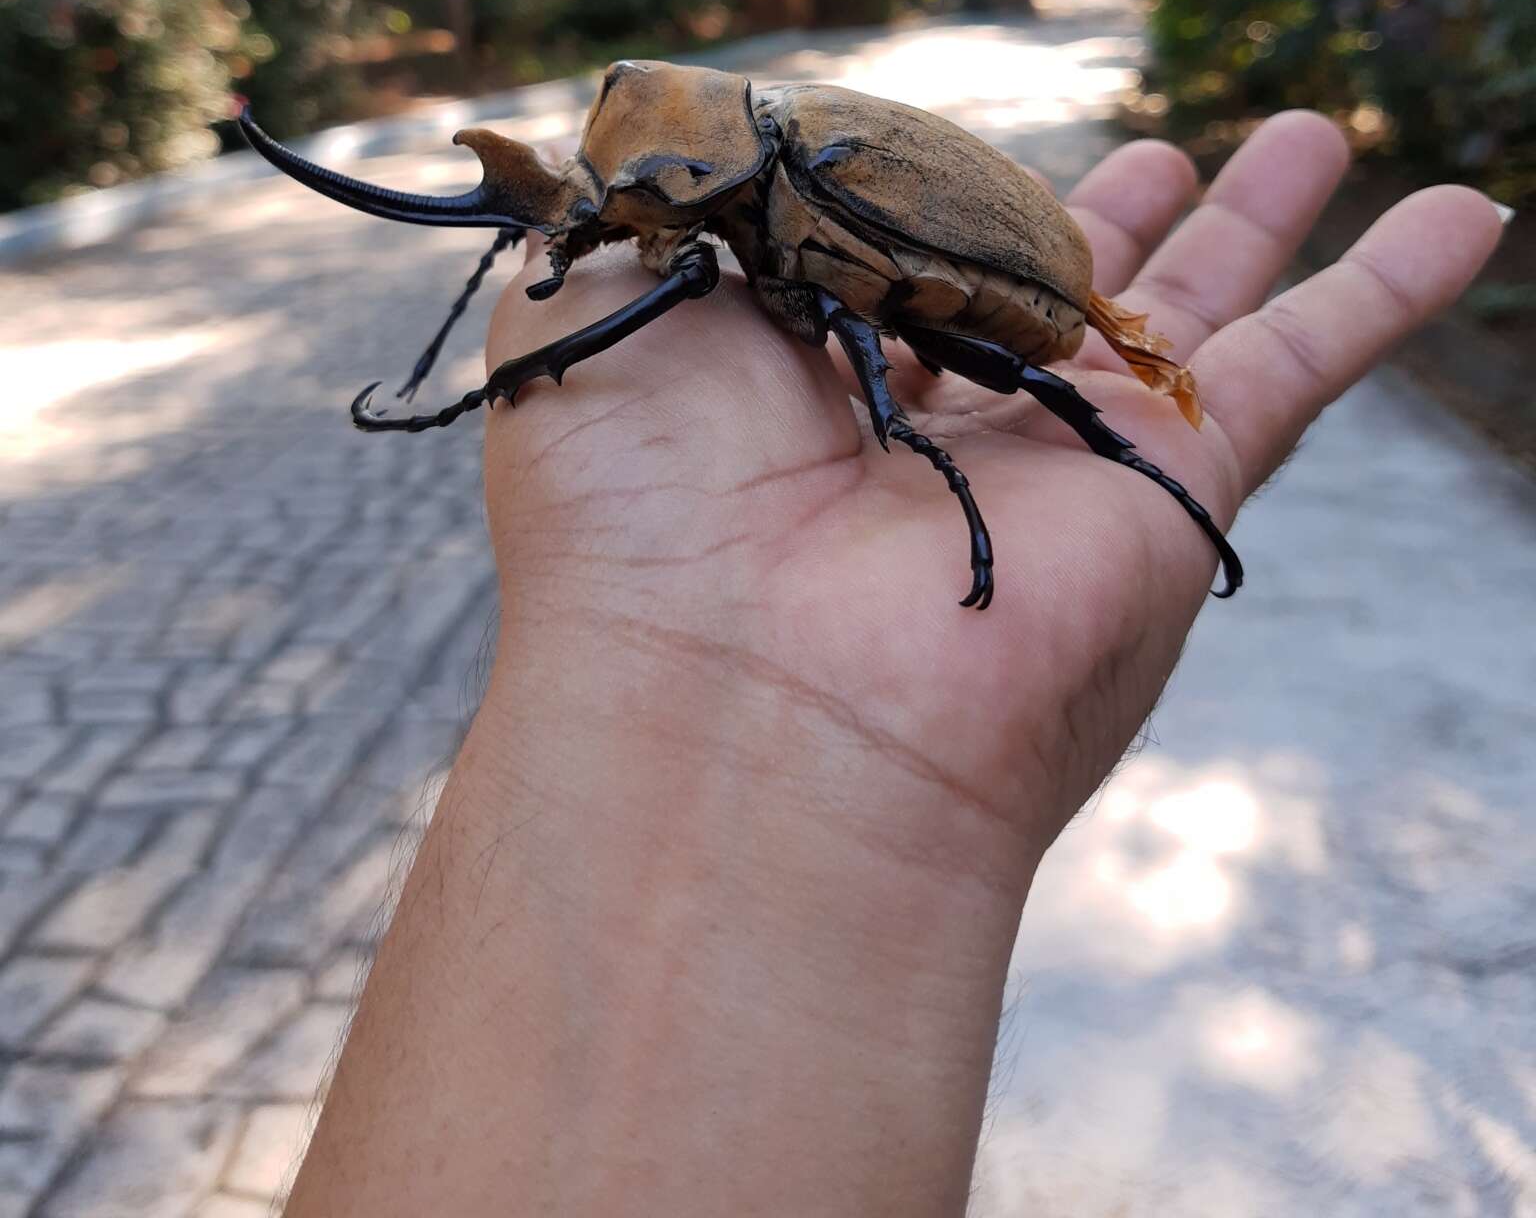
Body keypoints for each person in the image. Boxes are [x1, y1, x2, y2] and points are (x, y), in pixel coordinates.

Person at [285, 112, 1501, 1216]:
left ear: (691, 174)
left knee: (980, 362)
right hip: (952, 261)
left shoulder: (792, 188)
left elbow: (873, 322)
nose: (602, 236)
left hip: (1010, 283)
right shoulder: (731, 187)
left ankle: (1118, 454)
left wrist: (521, 376)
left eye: (623, 206)